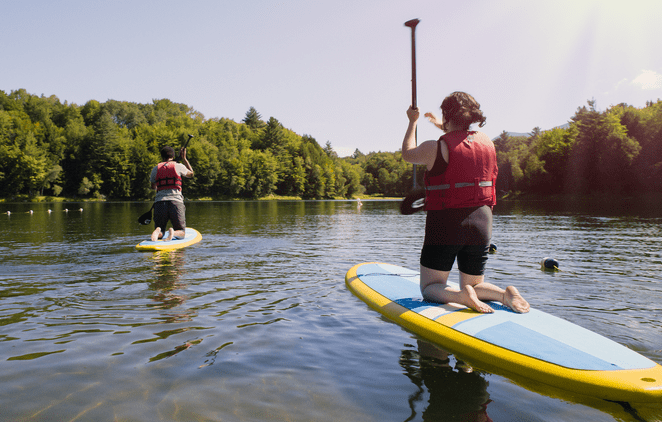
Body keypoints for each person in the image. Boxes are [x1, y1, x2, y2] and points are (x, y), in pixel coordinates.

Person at [401, 91, 529, 314]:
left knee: (430, 287)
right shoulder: (487, 142)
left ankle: (461, 296)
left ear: (448, 116)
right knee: (475, 284)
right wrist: (438, 123)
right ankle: (503, 294)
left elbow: (408, 153)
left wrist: (413, 123)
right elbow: (460, 139)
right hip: (482, 222)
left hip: (447, 222)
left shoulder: (434, 148)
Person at [149, 145, 194, 241]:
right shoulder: (179, 166)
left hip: (160, 202)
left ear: (162, 156)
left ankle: (158, 231)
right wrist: (184, 159)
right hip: (176, 202)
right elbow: (191, 174)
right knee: (181, 232)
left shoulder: (155, 169)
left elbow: (153, 186)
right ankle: (173, 232)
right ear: (173, 156)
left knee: (161, 230)